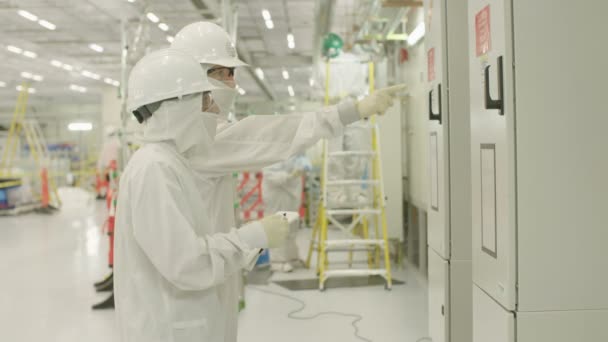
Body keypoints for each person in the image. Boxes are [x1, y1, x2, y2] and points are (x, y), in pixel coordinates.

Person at [171, 21, 406, 342]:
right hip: (192, 296)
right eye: (222, 73)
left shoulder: (194, 136)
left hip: (209, 280)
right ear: (193, 76)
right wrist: (354, 109)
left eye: (232, 73)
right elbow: (274, 135)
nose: (232, 81)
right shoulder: (198, 141)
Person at [113, 48, 291, 342]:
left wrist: (248, 245)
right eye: (205, 99)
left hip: (185, 324)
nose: (213, 110)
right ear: (178, 106)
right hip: (169, 329)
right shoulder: (154, 168)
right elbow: (187, 264)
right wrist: (255, 236)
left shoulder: (170, 163)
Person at [262, 154, 312, 272]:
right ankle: (278, 261)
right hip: (277, 192)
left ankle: (292, 257)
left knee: (292, 226)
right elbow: (270, 174)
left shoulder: (293, 146)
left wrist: (302, 166)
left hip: (292, 189)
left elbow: (298, 159)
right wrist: (289, 175)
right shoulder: (272, 149)